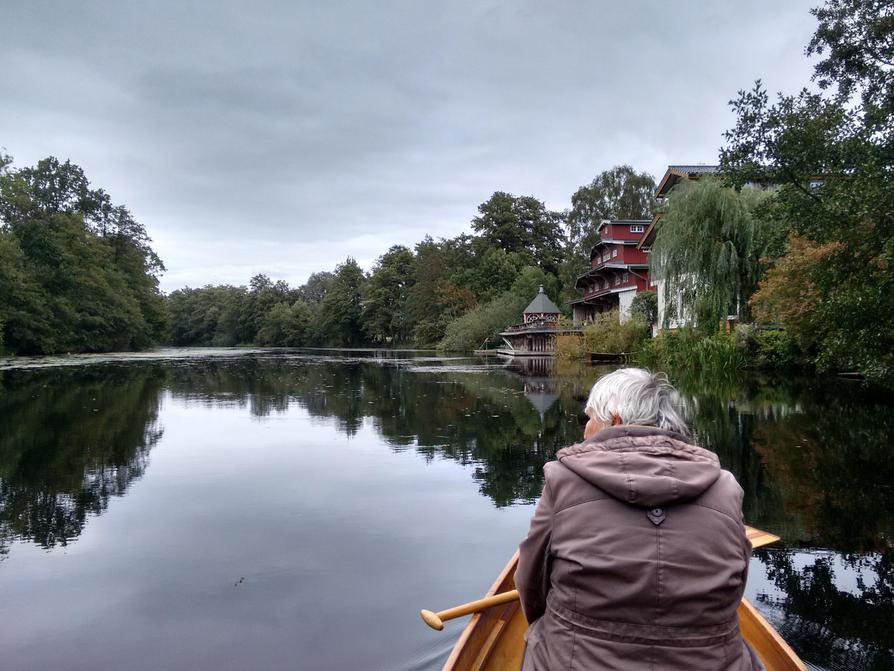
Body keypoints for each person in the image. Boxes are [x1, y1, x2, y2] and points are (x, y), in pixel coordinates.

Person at [515, 368, 763, 670]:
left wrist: (554, 629)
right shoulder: (726, 488)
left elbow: (531, 584)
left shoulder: (562, 480)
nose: (585, 429)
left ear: (614, 420)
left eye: (589, 417)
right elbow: (734, 590)